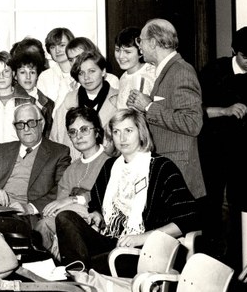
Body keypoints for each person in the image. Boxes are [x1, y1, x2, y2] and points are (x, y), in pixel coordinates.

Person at [55, 108, 199, 273]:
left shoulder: (162, 167)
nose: (122, 138)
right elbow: (96, 203)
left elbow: (189, 218)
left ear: (141, 133)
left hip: (147, 251)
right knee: (65, 218)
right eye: (116, 132)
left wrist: (141, 238)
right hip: (113, 242)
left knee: (91, 264)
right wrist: (97, 215)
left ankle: (78, 275)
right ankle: (79, 273)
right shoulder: (110, 167)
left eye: (128, 131)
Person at [198, 26, 247, 265]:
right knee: (214, 207)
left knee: (242, 206)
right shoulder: (214, 70)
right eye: (246, 57)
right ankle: (211, 263)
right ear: (234, 51)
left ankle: (239, 264)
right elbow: (195, 112)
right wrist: (225, 110)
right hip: (213, 150)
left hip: (244, 152)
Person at [127, 18, 205, 200]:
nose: (139, 46)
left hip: (178, 171)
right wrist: (142, 109)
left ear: (153, 42)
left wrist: (148, 106)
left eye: (140, 40)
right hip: (168, 168)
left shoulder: (181, 71)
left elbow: (193, 123)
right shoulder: (168, 70)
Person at [0, 103, 71, 229]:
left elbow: (62, 188)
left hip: (27, 215)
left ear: (41, 124)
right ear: (15, 128)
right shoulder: (3, 150)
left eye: (31, 122)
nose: (26, 129)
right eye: (20, 124)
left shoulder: (58, 152)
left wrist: (30, 207)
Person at [36, 106, 110, 259]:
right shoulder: (72, 169)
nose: (78, 136)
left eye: (84, 129)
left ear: (97, 131)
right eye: (73, 132)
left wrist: (74, 199)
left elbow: (106, 197)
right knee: (43, 225)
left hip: (99, 224)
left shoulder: (110, 162)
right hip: (68, 222)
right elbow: (59, 204)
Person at [51, 51, 119, 160]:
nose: (86, 77)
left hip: (109, 162)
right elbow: (55, 139)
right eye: (81, 73)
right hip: (73, 163)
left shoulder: (119, 100)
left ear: (103, 71)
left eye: (92, 71)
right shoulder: (68, 100)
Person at [10, 51, 55, 138]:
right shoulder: (8, 99)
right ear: (15, 75)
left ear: (37, 75)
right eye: (22, 72)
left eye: (32, 72)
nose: (28, 77)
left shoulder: (48, 104)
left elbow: (48, 135)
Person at [114, 27, 156, 110]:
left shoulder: (152, 73)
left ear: (141, 51)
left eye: (127, 52)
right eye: (117, 50)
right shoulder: (123, 77)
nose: (121, 56)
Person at [36, 27, 75, 106]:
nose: (57, 50)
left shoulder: (83, 72)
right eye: (52, 47)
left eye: (62, 45)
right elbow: (43, 108)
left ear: (72, 46)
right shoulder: (45, 77)